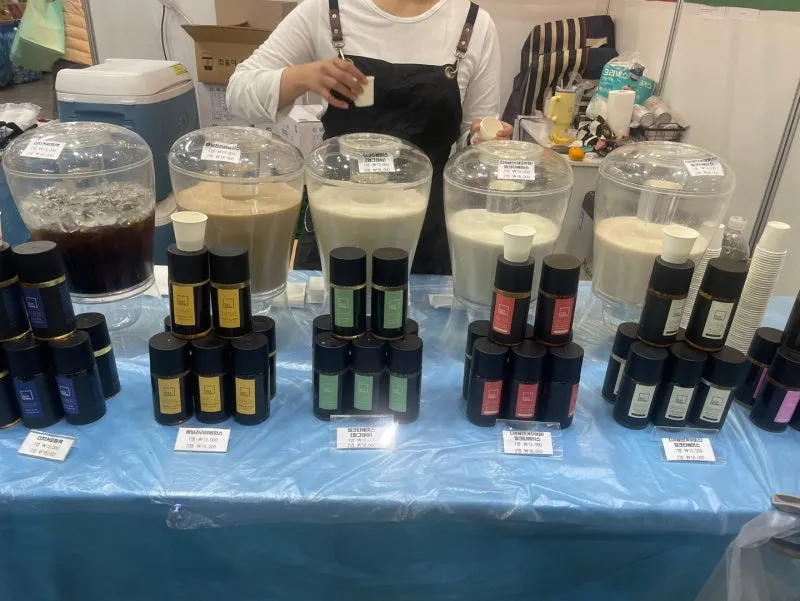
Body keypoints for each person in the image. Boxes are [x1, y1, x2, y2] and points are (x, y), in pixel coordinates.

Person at [227, 0, 510, 274]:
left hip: (422, 233)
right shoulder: (326, 9)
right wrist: (302, 76)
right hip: (335, 221)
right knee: (336, 305)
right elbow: (238, 93)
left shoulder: (474, 24)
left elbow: (474, 134)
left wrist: (482, 141)